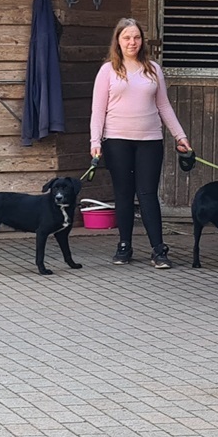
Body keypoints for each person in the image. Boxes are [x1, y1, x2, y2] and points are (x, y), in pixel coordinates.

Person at [90, 18, 191, 270]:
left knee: (147, 194)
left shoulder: (153, 69)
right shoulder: (108, 70)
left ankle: (158, 249)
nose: (132, 42)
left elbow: (163, 105)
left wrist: (180, 136)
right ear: (118, 41)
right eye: (126, 37)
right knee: (124, 194)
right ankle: (124, 245)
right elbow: (98, 109)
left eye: (136, 37)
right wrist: (95, 141)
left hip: (150, 140)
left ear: (142, 41)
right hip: (117, 140)